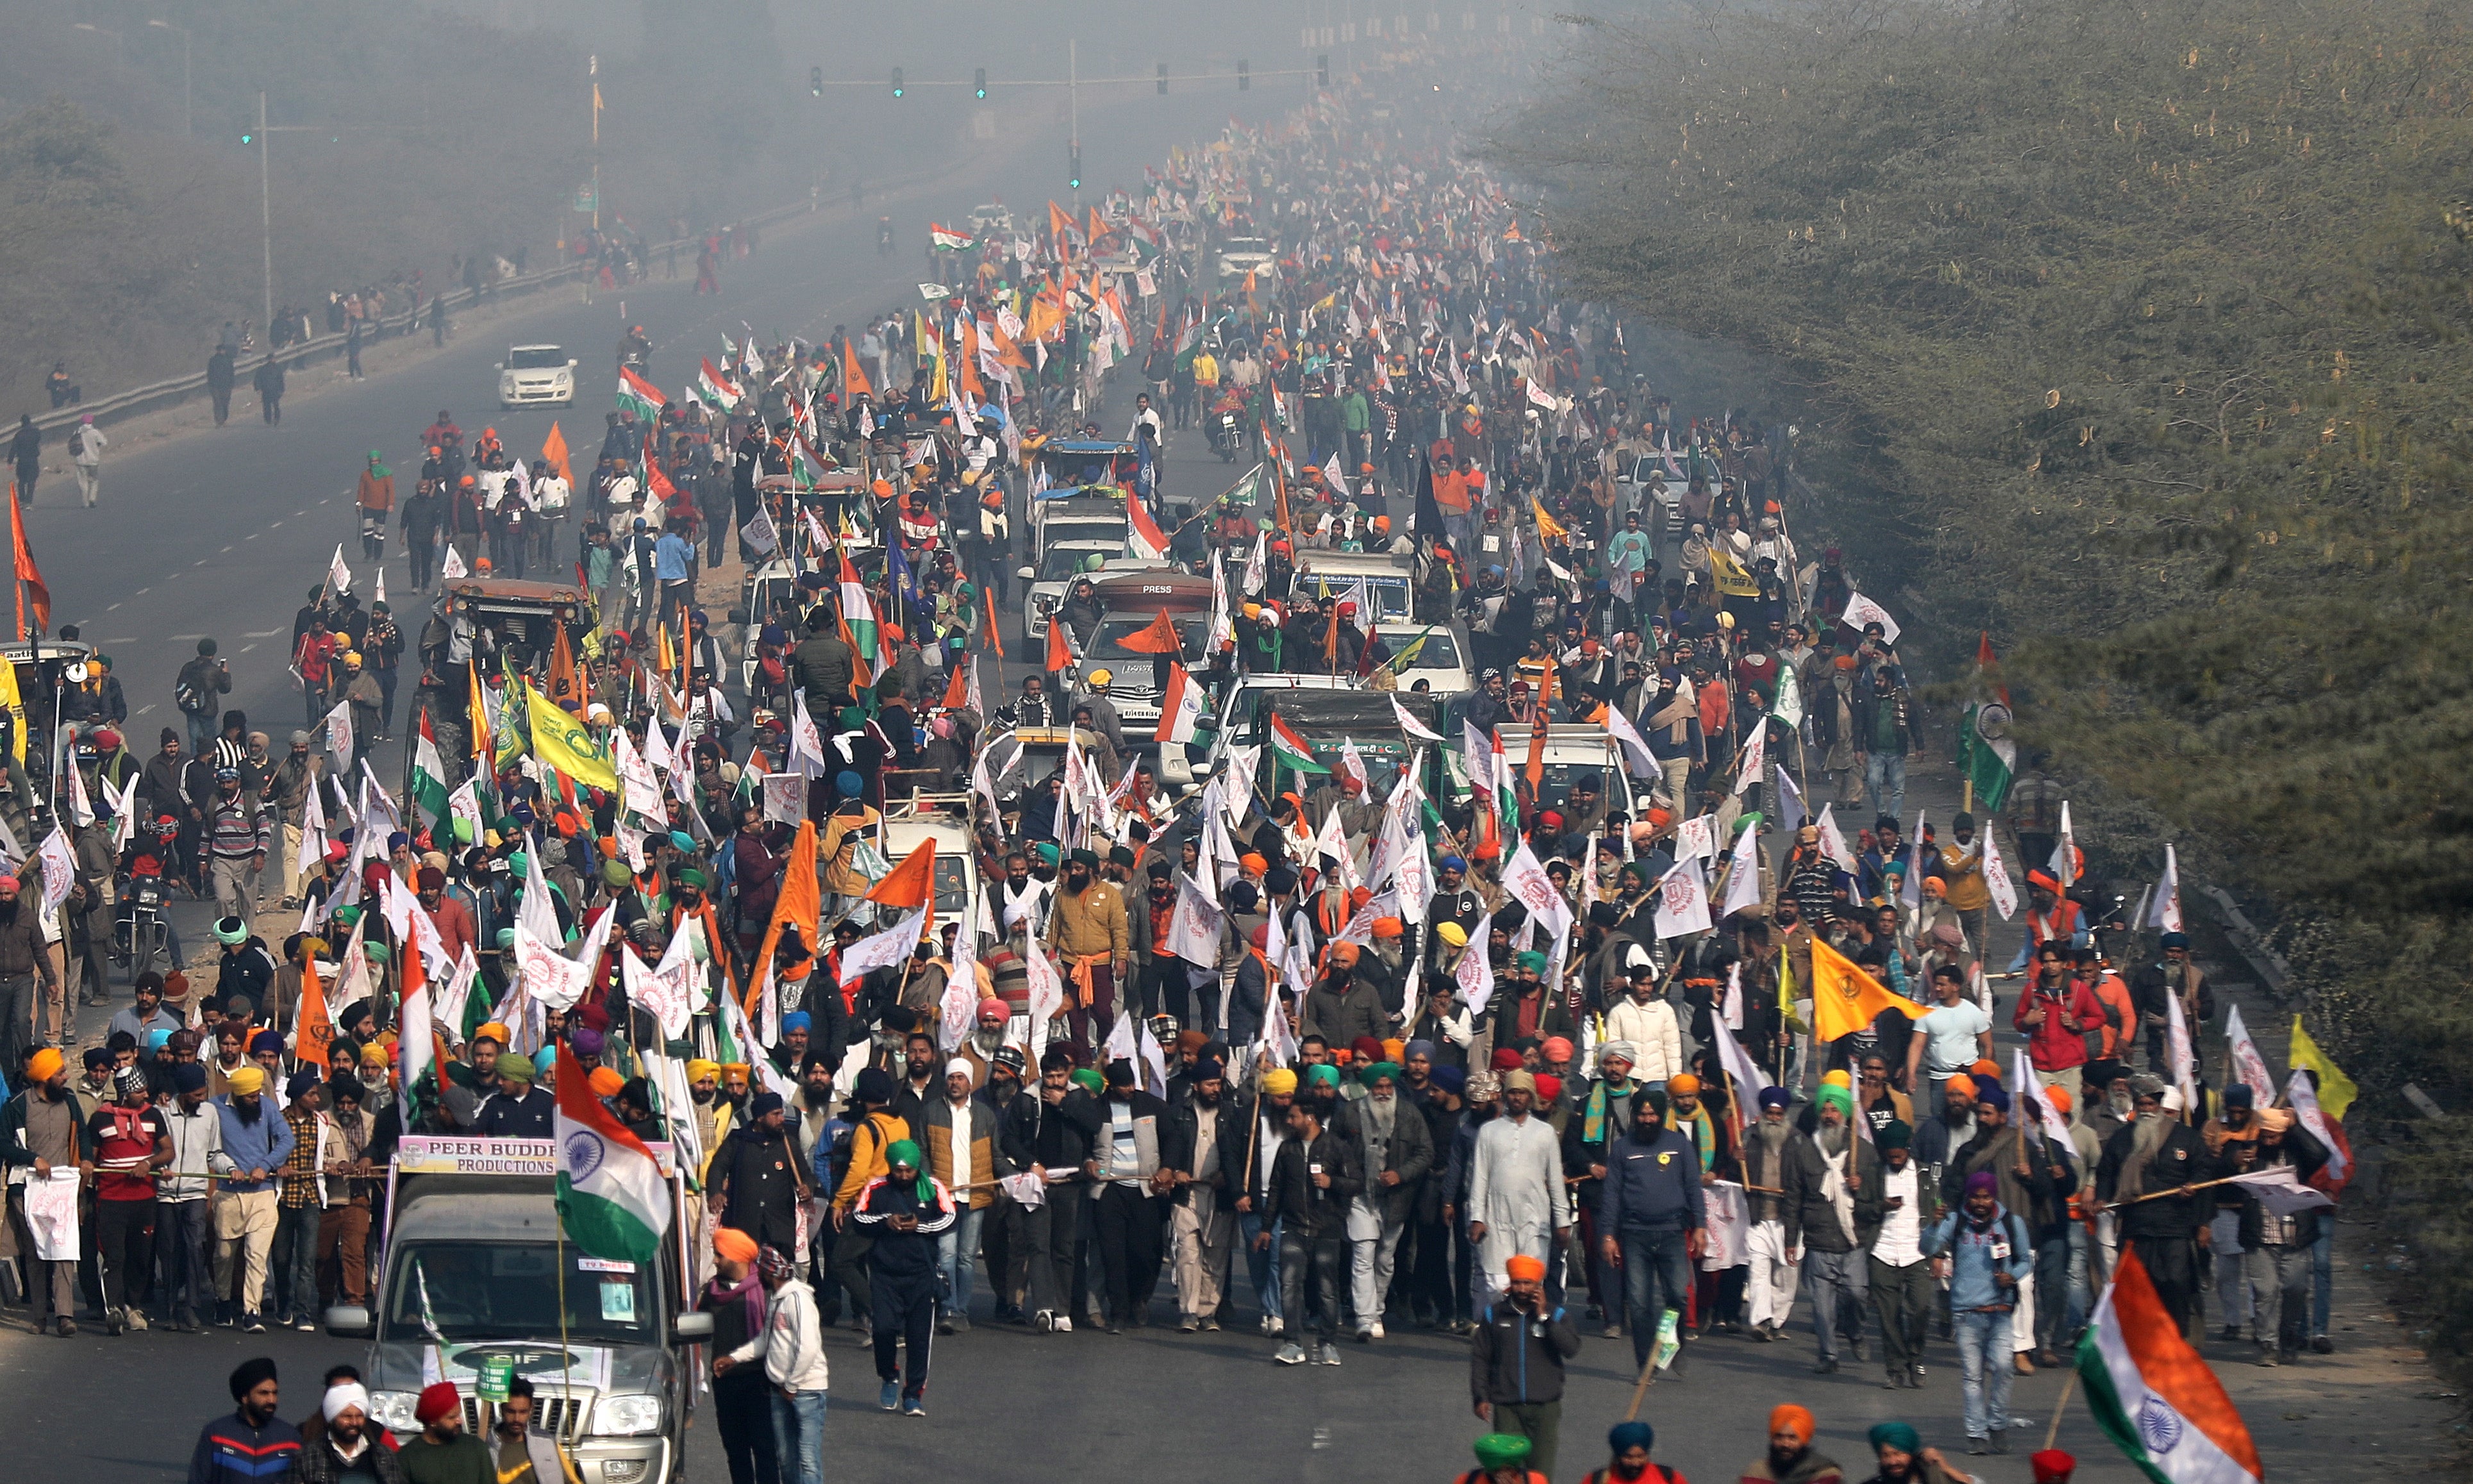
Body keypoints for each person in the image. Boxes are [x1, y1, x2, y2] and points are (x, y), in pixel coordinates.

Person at [1597, 1085, 1704, 1376]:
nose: (1646, 1120)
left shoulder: (1679, 1145)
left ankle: (1676, 1344)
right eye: (1642, 1114)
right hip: (1635, 1235)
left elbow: (1694, 1188)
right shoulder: (1622, 1149)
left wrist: (1700, 1227)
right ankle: (1646, 1364)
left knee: (1677, 1297)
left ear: (1662, 1115)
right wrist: (1608, 1235)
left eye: (1652, 1114)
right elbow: (1612, 1196)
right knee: (1640, 1304)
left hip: (1672, 1233)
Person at [1923, 1171, 2033, 1455]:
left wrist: (2012, 1276)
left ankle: (1997, 1423)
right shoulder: (1954, 1221)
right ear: (1968, 1197)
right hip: (1966, 1311)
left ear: (1994, 1196)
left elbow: (2024, 1261)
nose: (1981, 1202)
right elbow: (1928, 1248)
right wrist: (1933, 1226)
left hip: (2000, 1310)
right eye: (1976, 1196)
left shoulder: (2011, 1223)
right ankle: (1976, 1434)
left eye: (1986, 1196)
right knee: (1973, 1376)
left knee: (2004, 1367)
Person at [1783, 1080, 1883, 1373]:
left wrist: (1861, 1187)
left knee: (1855, 1295)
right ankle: (1828, 1355)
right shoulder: (1803, 1152)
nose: (1829, 1116)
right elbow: (1793, 1199)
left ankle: (1855, 1333)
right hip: (1818, 1241)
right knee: (1822, 1308)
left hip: (1853, 1241)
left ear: (1844, 1115)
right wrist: (1791, 1240)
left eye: (1834, 1110)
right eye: (1824, 1110)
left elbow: (1878, 1197)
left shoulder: (1864, 1152)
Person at [851, 1138, 953, 1415]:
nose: (904, 1176)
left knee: (920, 1338)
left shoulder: (932, 1187)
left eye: (909, 1171)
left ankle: (913, 1395)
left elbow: (949, 1218)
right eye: (899, 1171)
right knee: (883, 1330)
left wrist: (920, 1226)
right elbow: (858, 1217)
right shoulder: (876, 1188)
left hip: (922, 1273)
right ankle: (889, 1374)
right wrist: (887, 1221)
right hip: (885, 1274)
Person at [1, 1046, 96, 1335]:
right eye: (60, 1073)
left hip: (63, 1186)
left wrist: (87, 1159)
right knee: (36, 1252)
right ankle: (40, 1316)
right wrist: (33, 1159)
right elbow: (4, 1144)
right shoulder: (17, 1106)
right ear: (44, 1078)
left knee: (63, 1248)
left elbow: (82, 1134)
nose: (66, 1077)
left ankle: (65, 1316)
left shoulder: (69, 1101)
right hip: (27, 1187)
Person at [1264, 1086, 1359, 1364]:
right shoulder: (1288, 1149)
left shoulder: (1337, 1147)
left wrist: (1333, 1183)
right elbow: (1276, 1189)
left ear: (1310, 1117)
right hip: (1293, 1228)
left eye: (1293, 1117)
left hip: (1327, 1229)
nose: (1288, 1122)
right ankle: (1293, 1343)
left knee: (1328, 1289)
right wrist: (1266, 1228)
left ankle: (1327, 1344)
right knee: (1290, 1284)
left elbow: (1357, 1182)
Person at [1470, 1252, 1581, 1479]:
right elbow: (1481, 1358)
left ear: (1538, 1285)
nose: (1521, 1289)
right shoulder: (1494, 1315)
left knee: (1540, 1474)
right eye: (1517, 1283)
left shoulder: (1557, 1314)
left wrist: (1544, 1318)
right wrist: (1480, 1397)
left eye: (1527, 1283)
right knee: (1507, 1474)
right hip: (1507, 1407)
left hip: (1545, 1408)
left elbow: (1571, 1349)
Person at [1468, 1068, 1572, 1301]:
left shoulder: (1545, 1133)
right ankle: (1502, 1331)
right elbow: (1480, 1178)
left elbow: (1556, 1180)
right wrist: (1477, 1217)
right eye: (1513, 1092)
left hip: (1535, 1218)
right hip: (1497, 1217)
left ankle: (1528, 1333)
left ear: (1531, 1097)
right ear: (1505, 1095)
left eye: (1523, 1093)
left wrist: (1563, 1221)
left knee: (1531, 1280)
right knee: (1498, 1283)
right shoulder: (1488, 1131)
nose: (1517, 1098)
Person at [212, 1062, 296, 1331]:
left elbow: (286, 1140)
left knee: (256, 1256)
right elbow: (211, 1150)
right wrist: (231, 1169)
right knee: (224, 1255)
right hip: (228, 1194)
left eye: (258, 1094)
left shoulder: (268, 1108)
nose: (256, 1099)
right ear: (237, 1095)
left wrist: (267, 1165)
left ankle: (252, 1311)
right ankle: (223, 1302)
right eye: (250, 1096)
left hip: (262, 1194)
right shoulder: (215, 1109)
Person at [699, 1228, 776, 1484]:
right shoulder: (711, 1293)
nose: (715, 1261)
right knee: (735, 1451)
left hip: (760, 1383)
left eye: (720, 1255)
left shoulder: (767, 1292)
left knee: (765, 1451)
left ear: (737, 1256)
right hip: (725, 1383)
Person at [189, 1358, 304, 1484]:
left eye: (274, 1393)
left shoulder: (290, 1439)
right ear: (245, 1397)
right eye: (263, 1393)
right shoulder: (216, 1435)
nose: (272, 1400)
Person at [297, 1378, 407, 1484]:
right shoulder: (309, 1457)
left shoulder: (384, 1456)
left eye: (359, 1416)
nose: (354, 1422)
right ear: (332, 1418)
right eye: (347, 1416)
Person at [488, 1378, 581, 1484]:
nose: (517, 1419)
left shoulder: (548, 1443)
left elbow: (572, 1481)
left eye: (523, 1412)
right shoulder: (484, 1447)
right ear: (502, 1409)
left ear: (531, 1410)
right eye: (511, 1412)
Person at [399, 1381, 490, 1483]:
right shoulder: (407, 1457)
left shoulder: (476, 1448)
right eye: (452, 1417)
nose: (459, 1421)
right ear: (433, 1422)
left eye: (458, 1415)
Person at [1740, 1405, 1844, 1484]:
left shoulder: (1825, 1475)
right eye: (1779, 1437)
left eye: (1792, 1438)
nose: (1786, 1444)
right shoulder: (1757, 1473)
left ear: (1804, 1441)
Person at [1859, 1421, 1977, 1484]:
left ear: (1911, 1453)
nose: (1893, 1461)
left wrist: (1946, 1468)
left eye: (1898, 1453)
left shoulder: (1932, 1477)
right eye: (1885, 1455)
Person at [1580, 1421, 1684, 1484]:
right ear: (1618, 1456)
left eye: (1641, 1456)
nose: (1635, 1463)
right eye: (1628, 1457)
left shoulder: (1668, 1477)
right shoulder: (1597, 1480)